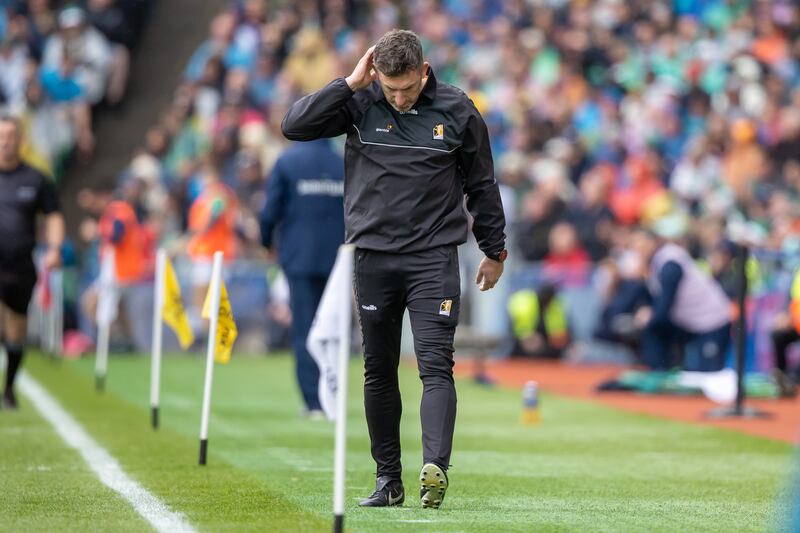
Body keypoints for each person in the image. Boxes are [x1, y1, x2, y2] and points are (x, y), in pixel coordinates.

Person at [281, 29, 506, 509]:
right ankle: (388, 481)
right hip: (373, 258)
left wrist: (494, 250)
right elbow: (294, 126)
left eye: (406, 88)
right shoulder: (361, 102)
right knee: (378, 369)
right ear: (375, 74)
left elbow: (482, 184)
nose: (399, 99)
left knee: (435, 364)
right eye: (390, 88)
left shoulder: (458, 110)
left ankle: (434, 471)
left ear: (423, 71)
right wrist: (349, 83)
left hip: (433, 259)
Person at [259, 138, 345, 417]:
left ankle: (314, 402)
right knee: (334, 329)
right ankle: (333, 397)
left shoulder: (287, 161)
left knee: (306, 329)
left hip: (300, 258)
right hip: (339, 258)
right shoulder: (342, 161)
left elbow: (269, 210)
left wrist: (266, 242)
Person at [0, 115, 64, 408]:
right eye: (0, 136)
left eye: (9, 136)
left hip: (20, 264)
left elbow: (53, 216)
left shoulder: (36, 179)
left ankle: (9, 388)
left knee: (16, 328)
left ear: (20, 140)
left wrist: (54, 248)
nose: (4, 142)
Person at [630, 230, 732, 372]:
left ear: (652, 242)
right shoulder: (655, 263)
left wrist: (649, 315)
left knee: (707, 374)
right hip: (692, 321)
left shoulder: (670, 262)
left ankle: (660, 372)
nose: (638, 250)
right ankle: (660, 371)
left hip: (712, 321)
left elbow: (663, 308)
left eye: (641, 244)